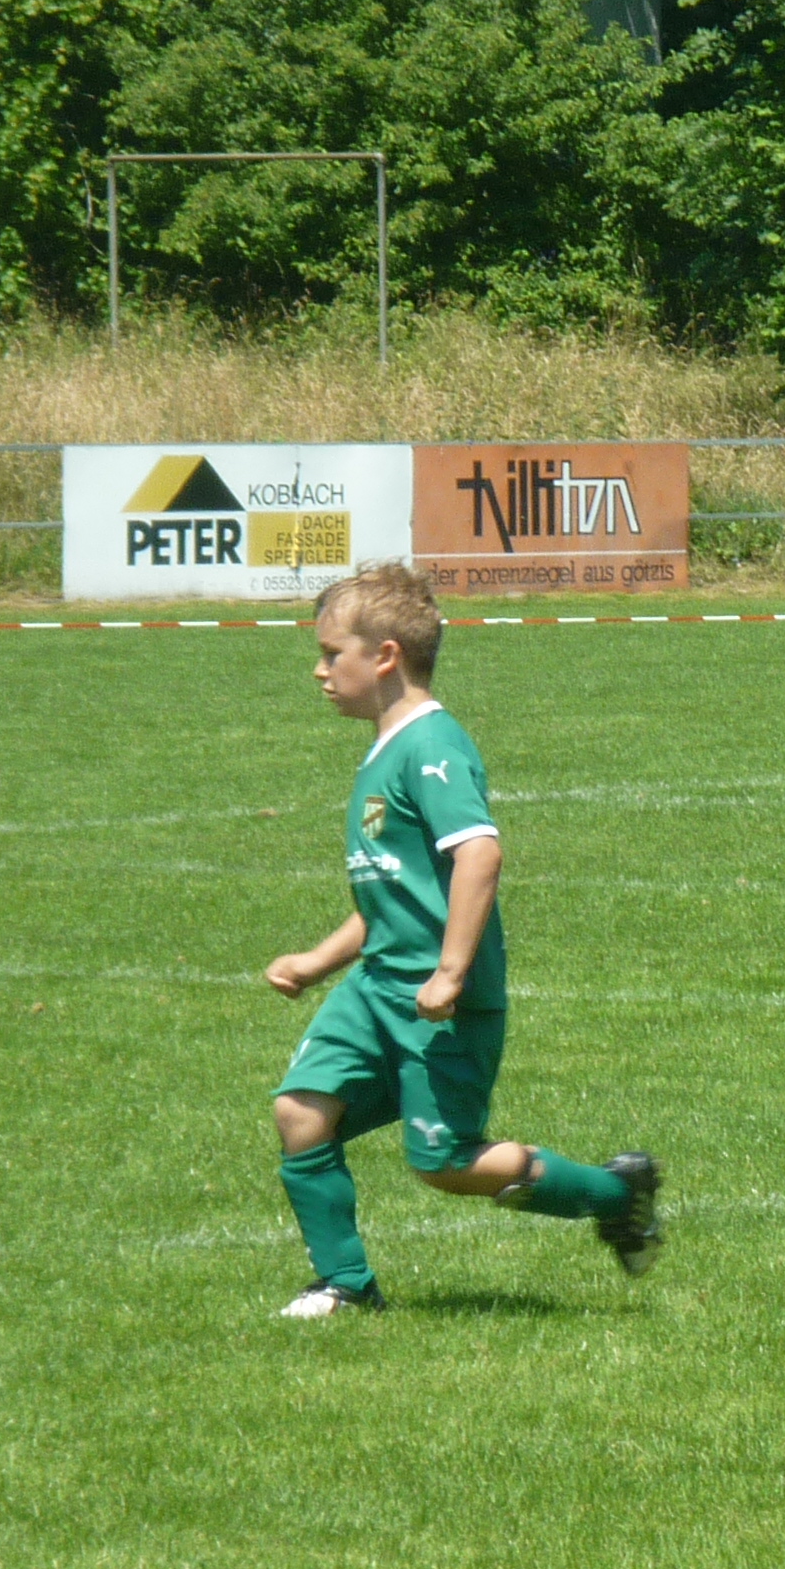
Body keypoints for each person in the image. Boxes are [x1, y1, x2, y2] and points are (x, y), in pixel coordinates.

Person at [260, 564, 659, 1320]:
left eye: (331, 653)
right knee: (300, 1113)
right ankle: (345, 1284)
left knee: (443, 1163)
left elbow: (479, 854)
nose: (319, 671)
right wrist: (316, 962)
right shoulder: (385, 749)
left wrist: (450, 972)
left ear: (385, 656)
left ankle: (617, 1194)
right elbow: (394, 895)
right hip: (376, 989)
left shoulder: (432, 746)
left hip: (437, 1001)